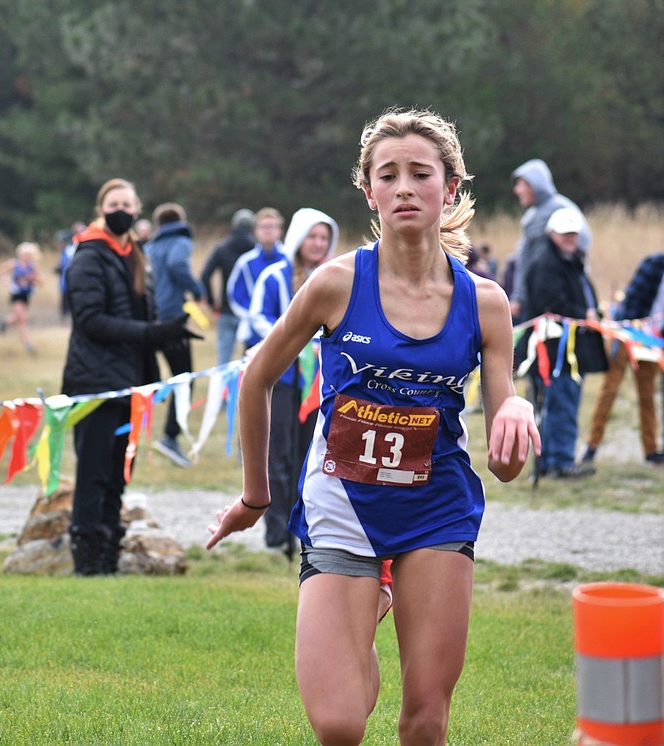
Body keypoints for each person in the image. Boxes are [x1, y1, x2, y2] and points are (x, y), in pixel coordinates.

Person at [207, 109, 540, 744]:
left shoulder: (486, 302)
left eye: (422, 173)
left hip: (435, 506)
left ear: (451, 186)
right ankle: (367, 606)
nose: (406, 187)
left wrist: (516, 412)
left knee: (425, 721)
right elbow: (256, 379)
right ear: (369, 191)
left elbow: (504, 464)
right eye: (388, 175)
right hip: (343, 500)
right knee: (338, 725)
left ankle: (383, 595)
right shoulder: (334, 283)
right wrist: (256, 497)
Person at [62, 178, 197, 576]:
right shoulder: (88, 255)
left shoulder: (136, 255)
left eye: (128, 202)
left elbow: (145, 318)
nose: (121, 208)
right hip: (94, 383)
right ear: (102, 208)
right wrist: (153, 334)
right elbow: (90, 321)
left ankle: (108, 557)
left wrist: (172, 342)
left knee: (119, 474)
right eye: (113, 202)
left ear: (138, 209)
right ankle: (86, 560)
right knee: (94, 474)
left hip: (133, 383)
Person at [246, 208, 339, 557]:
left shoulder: (334, 276)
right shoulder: (274, 276)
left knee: (309, 455)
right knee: (278, 455)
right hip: (280, 378)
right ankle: (275, 534)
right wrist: (290, 341)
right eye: (312, 236)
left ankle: (304, 532)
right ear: (300, 238)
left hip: (316, 384)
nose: (317, 243)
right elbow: (258, 317)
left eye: (323, 238)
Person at [521, 207, 605, 479]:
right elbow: (551, 304)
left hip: (566, 347)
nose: (570, 239)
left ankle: (550, 460)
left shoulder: (567, 258)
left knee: (559, 403)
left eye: (573, 234)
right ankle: (561, 461)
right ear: (552, 234)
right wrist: (585, 315)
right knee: (562, 403)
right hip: (557, 350)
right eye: (565, 234)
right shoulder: (548, 262)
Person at [582, 251, 664, 466]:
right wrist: (623, 334)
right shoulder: (654, 264)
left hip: (652, 340)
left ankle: (651, 450)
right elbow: (631, 301)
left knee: (647, 394)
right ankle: (592, 445)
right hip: (627, 333)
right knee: (610, 390)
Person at [144, 202, 205, 468]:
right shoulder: (180, 240)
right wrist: (197, 289)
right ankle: (170, 437)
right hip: (171, 319)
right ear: (181, 220)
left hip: (150, 319)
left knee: (148, 378)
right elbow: (177, 264)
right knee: (184, 379)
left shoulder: (150, 246)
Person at [509, 158, 591, 322]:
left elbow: (582, 242)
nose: (517, 190)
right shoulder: (532, 216)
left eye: (521, 184)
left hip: (556, 294)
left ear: (535, 184)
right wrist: (518, 297)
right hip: (534, 297)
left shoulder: (559, 208)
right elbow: (525, 260)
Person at [200, 208, 256, 365]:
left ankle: (219, 390)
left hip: (225, 310)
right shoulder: (257, 250)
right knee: (252, 361)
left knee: (223, 363)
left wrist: (212, 303)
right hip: (250, 312)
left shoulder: (222, 248)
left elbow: (205, 276)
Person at [227, 207, 286, 350]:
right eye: (264, 226)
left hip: (286, 332)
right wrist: (255, 316)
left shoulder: (289, 259)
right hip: (254, 336)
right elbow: (235, 295)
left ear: (280, 230)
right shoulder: (246, 262)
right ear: (256, 230)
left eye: (272, 226)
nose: (268, 230)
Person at [0, 241, 41, 354]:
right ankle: (27, 344)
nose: (27, 256)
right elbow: (2, 271)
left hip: (26, 295)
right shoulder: (14, 263)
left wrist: (33, 279)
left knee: (18, 317)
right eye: (25, 254)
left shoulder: (33, 267)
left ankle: (5, 322)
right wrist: (5, 279)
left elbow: (41, 280)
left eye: (29, 254)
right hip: (16, 294)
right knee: (22, 319)